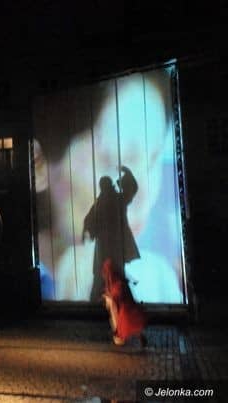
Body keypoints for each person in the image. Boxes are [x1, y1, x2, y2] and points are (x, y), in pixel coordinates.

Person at [33, 68, 184, 303]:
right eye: (114, 159)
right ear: (38, 163)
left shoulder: (158, 284)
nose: (143, 193)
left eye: (153, 159)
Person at [83, 167, 140, 302]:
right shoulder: (113, 200)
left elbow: (89, 220)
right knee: (105, 273)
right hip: (108, 245)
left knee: (110, 272)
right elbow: (90, 220)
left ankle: (112, 299)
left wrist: (127, 174)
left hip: (112, 245)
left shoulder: (113, 200)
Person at [101, 258, 147, 347]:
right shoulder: (116, 280)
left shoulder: (117, 282)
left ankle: (121, 337)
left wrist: (110, 296)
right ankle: (124, 337)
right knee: (127, 324)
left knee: (126, 324)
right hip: (123, 307)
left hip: (124, 307)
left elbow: (117, 293)